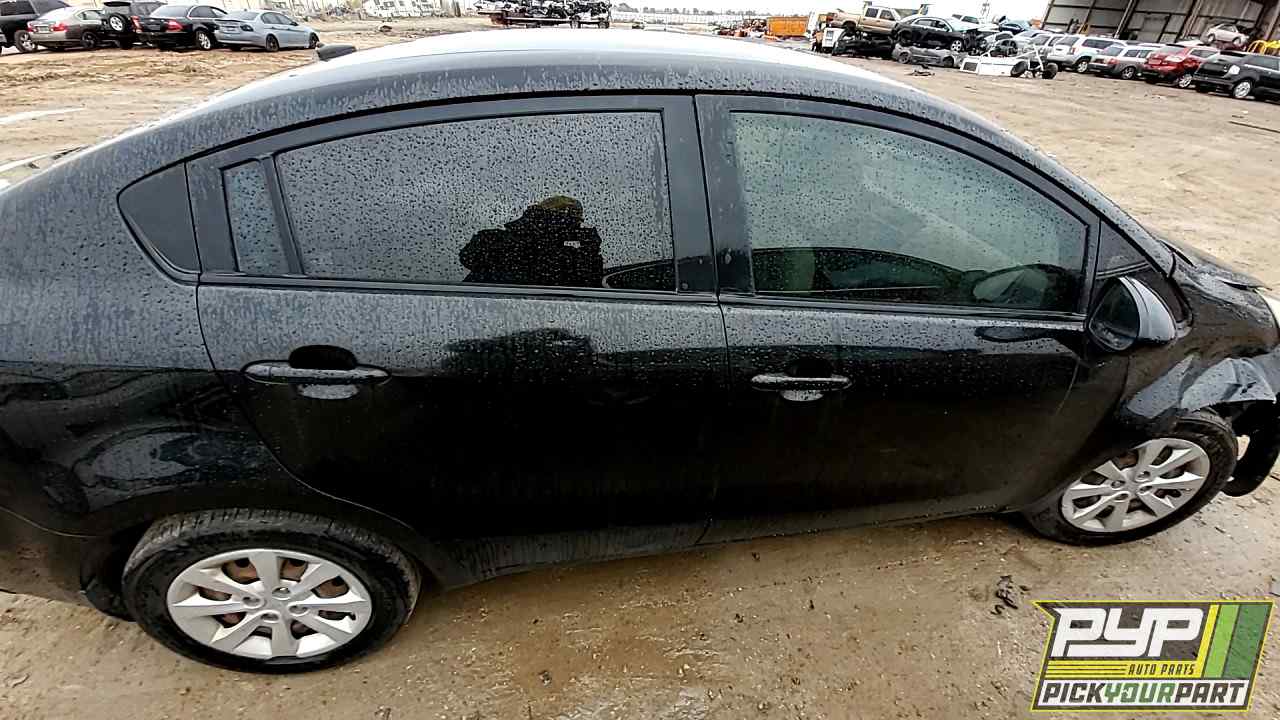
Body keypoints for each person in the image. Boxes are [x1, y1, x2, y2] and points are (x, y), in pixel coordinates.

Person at [459, 195, 605, 288]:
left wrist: (589, 249)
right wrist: (588, 249)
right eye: (574, 221)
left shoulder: (493, 238)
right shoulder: (561, 258)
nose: (578, 227)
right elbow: (587, 284)